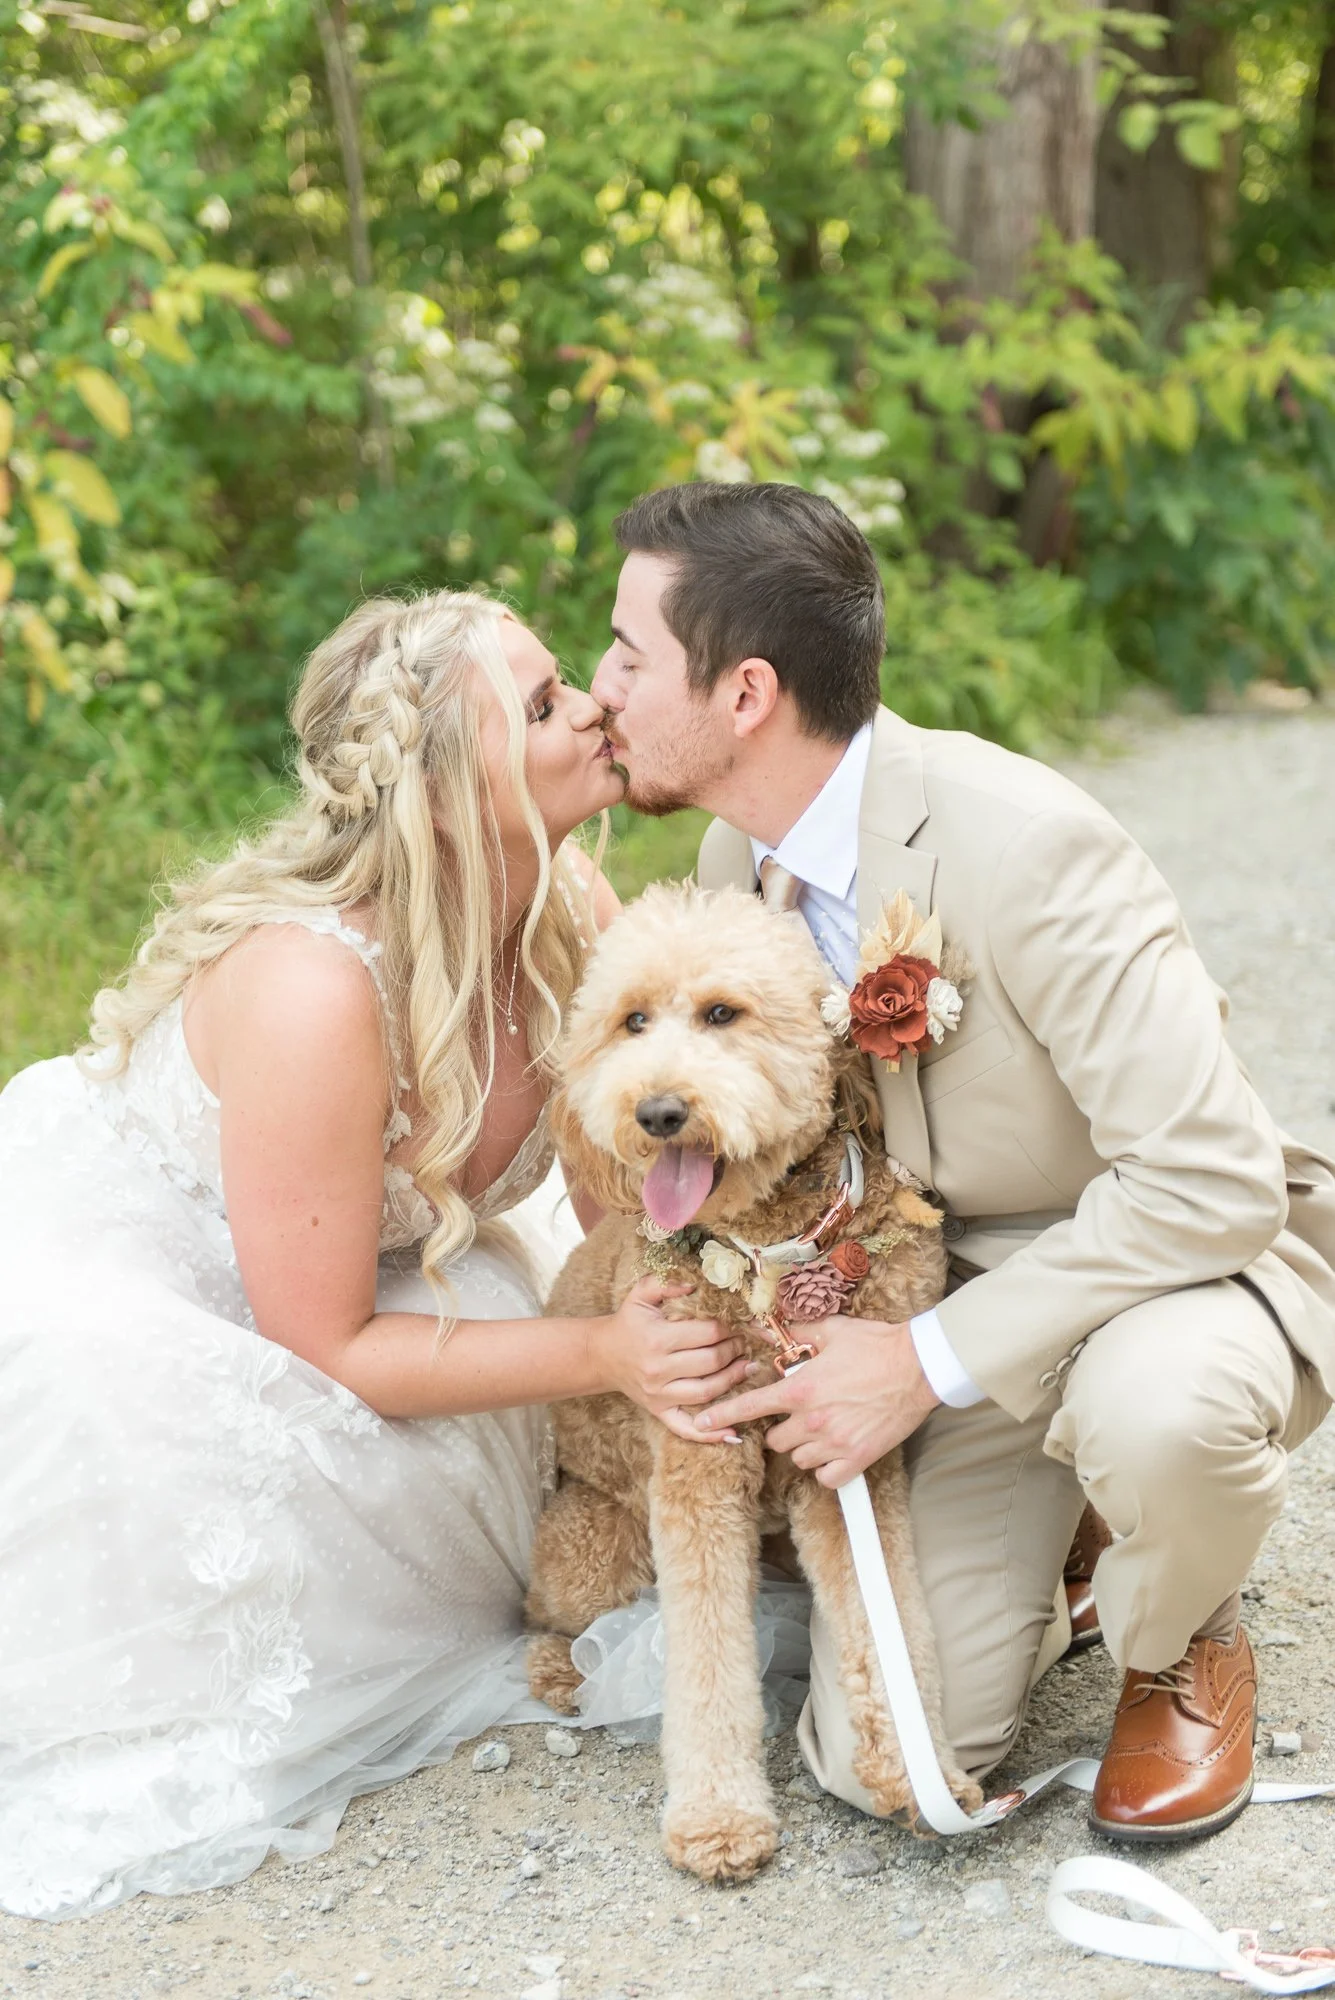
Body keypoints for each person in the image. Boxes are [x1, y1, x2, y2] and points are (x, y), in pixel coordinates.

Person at [590, 481, 1335, 1844]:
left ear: (744, 693)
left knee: (1157, 1418)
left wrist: (918, 1364)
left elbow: (1212, 1181)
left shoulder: (1030, 846)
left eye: (629, 657)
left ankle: (1183, 1632)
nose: (602, 690)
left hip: (1153, 1265)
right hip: (938, 1287)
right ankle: (1078, 1548)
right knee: (883, 1760)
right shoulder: (735, 851)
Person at [0, 589, 751, 1921]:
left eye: (563, 679)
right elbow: (324, 1341)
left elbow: (618, 1196)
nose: (593, 707)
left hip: (380, 1261)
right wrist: (608, 1351)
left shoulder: (565, 899)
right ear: (451, 799)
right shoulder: (316, 990)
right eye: (541, 706)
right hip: (170, 1285)